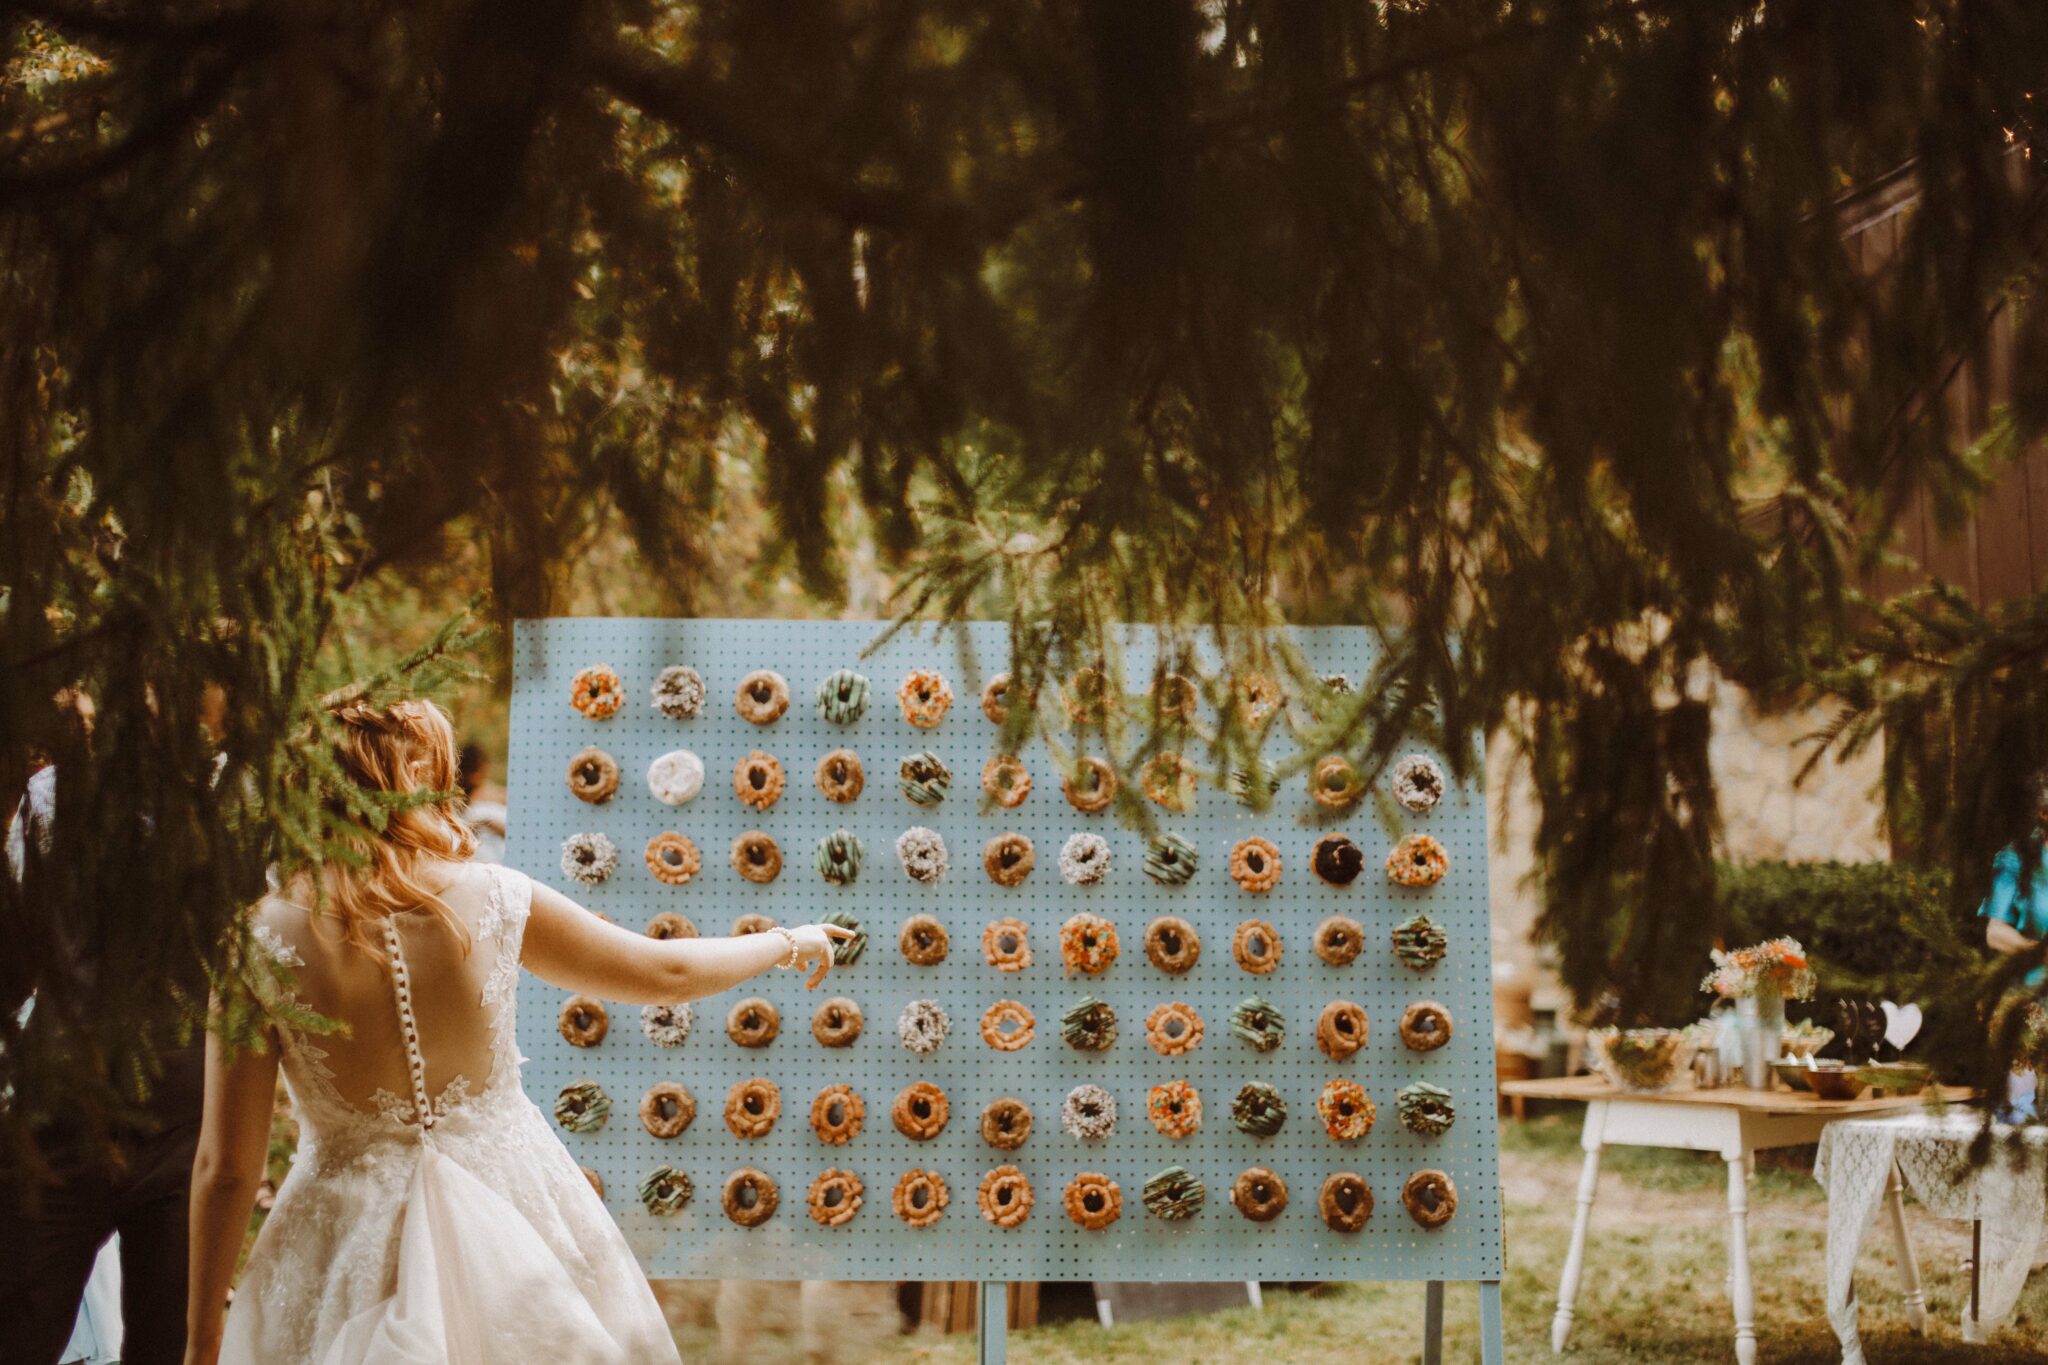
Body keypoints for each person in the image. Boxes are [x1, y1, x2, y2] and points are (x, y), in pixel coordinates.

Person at [182, 699, 851, 1364]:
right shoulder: (495, 897)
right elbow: (667, 970)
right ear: (415, 774)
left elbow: (226, 1168)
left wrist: (201, 1339)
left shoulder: (257, 939)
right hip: (518, 1217)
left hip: (338, 1244)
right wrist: (788, 942)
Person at [2, 684, 220, 1365]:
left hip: (87, 1110)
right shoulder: (227, 800)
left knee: (23, 1329)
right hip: (157, 1110)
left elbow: (14, 962)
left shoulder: (48, 798)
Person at [1978, 771, 2048, 1120]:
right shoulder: (2015, 860)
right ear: (2041, 811)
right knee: (2020, 1116)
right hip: (2027, 1003)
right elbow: (1995, 932)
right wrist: (2038, 952)